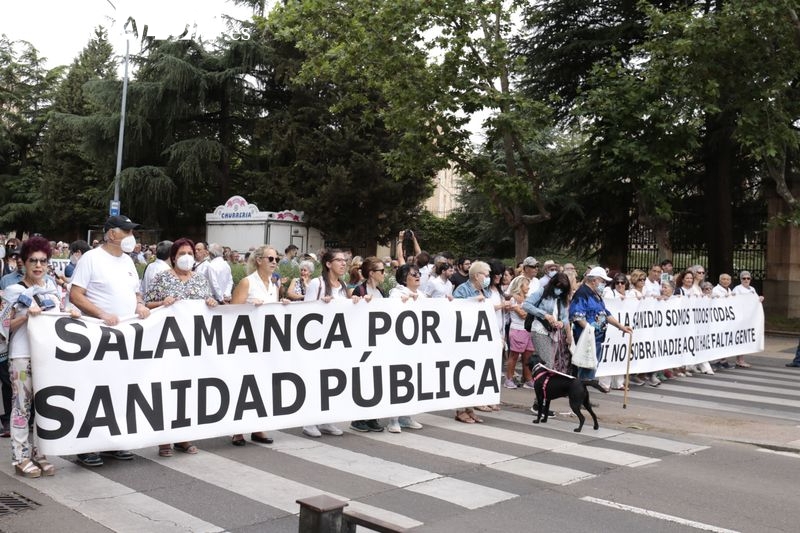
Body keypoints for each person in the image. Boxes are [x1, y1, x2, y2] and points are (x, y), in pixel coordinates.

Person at [70, 214, 150, 467]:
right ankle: (86, 445)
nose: (131, 236)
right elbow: (76, 295)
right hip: (97, 336)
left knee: (119, 389)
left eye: (132, 231)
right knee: (93, 390)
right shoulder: (91, 259)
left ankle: (112, 441)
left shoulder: (128, 261)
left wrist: (139, 304)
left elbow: (136, 292)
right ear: (111, 233)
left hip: (124, 337)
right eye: (127, 231)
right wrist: (102, 314)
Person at [1, 237, 78, 477]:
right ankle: (20, 457)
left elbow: (59, 318)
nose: (38, 265)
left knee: (44, 407)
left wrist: (71, 314)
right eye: (33, 260)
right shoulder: (13, 291)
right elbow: (4, 327)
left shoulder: (52, 290)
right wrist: (26, 316)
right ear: (23, 263)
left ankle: (39, 452)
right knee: (21, 406)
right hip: (22, 356)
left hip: (48, 357)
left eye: (43, 261)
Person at [145, 238, 218, 456]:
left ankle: (183, 437)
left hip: (193, 345)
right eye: (182, 253)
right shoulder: (162, 278)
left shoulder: (200, 279)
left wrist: (211, 303)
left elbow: (209, 303)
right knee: (167, 389)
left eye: (190, 253)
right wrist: (162, 303)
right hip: (167, 344)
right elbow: (146, 304)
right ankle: (164, 439)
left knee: (188, 390)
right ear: (173, 257)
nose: (186, 257)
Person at [229, 245, 289, 445]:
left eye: (276, 259)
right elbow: (231, 312)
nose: (274, 262)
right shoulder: (247, 282)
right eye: (270, 258)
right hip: (246, 342)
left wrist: (283, 306)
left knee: (263, 384)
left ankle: (258, 427)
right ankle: (237, 429)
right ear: (258, 260)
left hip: (266, 342)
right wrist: (248, 306)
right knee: (243, 385)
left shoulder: (274, 284)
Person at [302, 249, 359, 437]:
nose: (343, 263)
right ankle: (309, 421)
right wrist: (321, 304)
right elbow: (306, 312)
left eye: (345, 260)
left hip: (337, 342)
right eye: (339, 260)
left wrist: (355, 301)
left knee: (332, 381)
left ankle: (326, 420)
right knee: (316, 380)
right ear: (328, 264)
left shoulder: (342, 285)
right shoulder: (317, 284)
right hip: (319, 342)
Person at [569, 266, 632, 384]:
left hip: (597, 338)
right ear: (594, 280)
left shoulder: (596, 294)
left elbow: (605, 313)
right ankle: (580, 391)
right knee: (585, 367)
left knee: (591, 368)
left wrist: (620, 326)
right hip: (586, 338)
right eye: (603, 281)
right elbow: (577, 316)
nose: (604, 284)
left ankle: (584, 391)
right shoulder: (582, 293)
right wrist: (589, 330)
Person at [385, 264, 426, 433]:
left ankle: (406, 416)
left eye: (418, 273)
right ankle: (393, 419)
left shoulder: (422, 295)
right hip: (398, 345)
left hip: (416, 345)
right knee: (398, 380)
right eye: (413, 274)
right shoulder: (396, 293)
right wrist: (404, 301)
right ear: (404, 278)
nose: (417, 276)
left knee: (412, 381)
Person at [349, 257, 387, 433]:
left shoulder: (381, 291)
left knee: (376, 378)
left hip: (378, 341)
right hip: (363, 342)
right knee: (363, 378)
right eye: (381, 271)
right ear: (371, 273)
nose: (384, 274)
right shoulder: (360, 289)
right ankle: (359, 418)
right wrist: (359, 301)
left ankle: (372, 417)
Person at [452, 260, 493, 424]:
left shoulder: (485, 291)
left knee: (475, 373)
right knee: (464, 373)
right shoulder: (462, 290)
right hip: (464, 338)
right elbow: (454, 310)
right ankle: (460, 410)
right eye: (486, 275)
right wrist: (473, 301)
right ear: (476, 276)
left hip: (479, 338)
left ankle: (470, 408)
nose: (488, 278)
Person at [504, 276, 534, 389]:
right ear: (520, 286)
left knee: (528, 356)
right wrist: (530, 312)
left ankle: (528, 379)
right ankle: (509, 379)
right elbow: (523, 315)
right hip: (517, 329)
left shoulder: (528, 298)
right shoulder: (513, 299)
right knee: (514, 356)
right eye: (526, 285)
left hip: (528, 330)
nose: (528, 287)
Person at [731, 271, 762, 368]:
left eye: (748, 278)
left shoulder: (752, 289)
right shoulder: (737, 289)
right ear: (740, 279)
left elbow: (756, 300)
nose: (746, 280)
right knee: (740, 338)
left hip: (749, 318)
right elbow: (733, 301)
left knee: (745, 338)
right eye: (744, 278)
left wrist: (760, 298)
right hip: (741, 317)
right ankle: (738, 360)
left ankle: (740, 359)